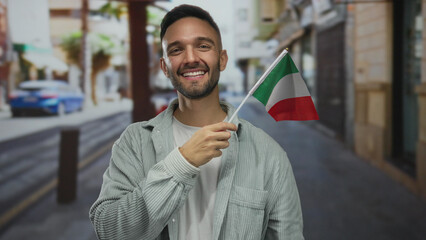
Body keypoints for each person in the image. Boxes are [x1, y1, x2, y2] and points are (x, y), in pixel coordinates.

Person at [90, 4, 304, 240]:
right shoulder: (134, 142)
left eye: (203, 46)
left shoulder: (269, 154)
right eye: (176, 50)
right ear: (164, 67)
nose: (191, 58)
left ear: (222, 60)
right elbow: (109, 231)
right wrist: (182, 162)